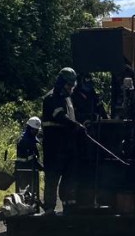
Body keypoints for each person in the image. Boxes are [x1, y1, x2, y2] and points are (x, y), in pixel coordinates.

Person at [41, 67, 85, 213]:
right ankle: (49, 208)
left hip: (68, 146)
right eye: (69, 85)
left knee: (69, 177)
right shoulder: (51, 98)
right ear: (61, 82)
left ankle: (69, 206)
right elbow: (59, 116)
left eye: (73, 85)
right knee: (53, 178)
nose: (71, 88)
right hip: (54, 147)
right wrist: (75, 125)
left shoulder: (68, 99)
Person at [14, 116, 43, 196]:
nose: (36, 132)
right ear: (29, 128)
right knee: (27, 191)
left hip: (28, 168)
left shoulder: (30, 138)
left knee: (31, 190)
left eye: (37, 130)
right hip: (25, 169)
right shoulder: (25, 140)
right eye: (35, 130)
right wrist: (42, 167)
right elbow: (31, 158)